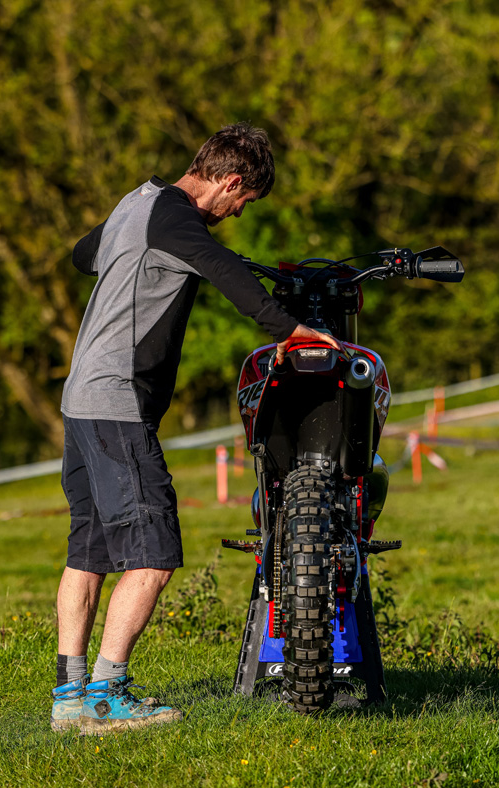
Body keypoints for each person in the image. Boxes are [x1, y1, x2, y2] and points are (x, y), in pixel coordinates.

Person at [51, 123, 339, 733]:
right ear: (231, 182)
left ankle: (70, 696)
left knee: (90, 551)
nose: (237, 213)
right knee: (153, 555)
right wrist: (291, 330)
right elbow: (228, 274)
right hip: (118, 402)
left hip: (82, 400)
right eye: (244, 202)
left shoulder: (139, 202)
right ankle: (107, 697)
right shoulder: (177, 221)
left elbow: (84, 255)